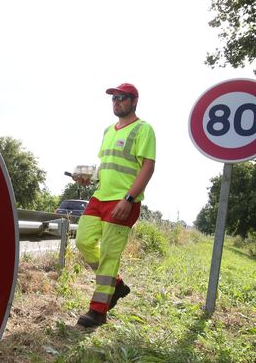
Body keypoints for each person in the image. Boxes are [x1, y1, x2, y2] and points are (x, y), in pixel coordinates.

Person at [75, 82, 156, 328]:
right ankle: (116, 285)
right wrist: (87, 174)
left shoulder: (144, 129)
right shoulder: (108, 131)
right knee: (83, 241)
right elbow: (106, 166)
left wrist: (129, 199)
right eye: (114, 98)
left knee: (110, 254)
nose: (117, 102)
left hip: (123, 201)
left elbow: (148, 167)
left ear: (134, 101)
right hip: (100, 196)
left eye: (122, 97)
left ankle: (98, 311)